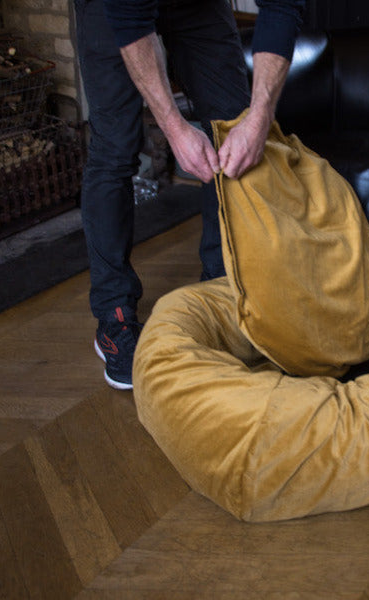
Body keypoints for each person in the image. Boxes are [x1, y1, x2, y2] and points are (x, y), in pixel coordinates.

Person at [73, 0, 305, 390]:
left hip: (200, 7)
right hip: (110, 8)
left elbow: (283, 7)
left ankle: (221, 289)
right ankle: (114, 317)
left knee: (230, 126)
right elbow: (129, 20)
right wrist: (175, 129)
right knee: (115, 149)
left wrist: (258, 119)